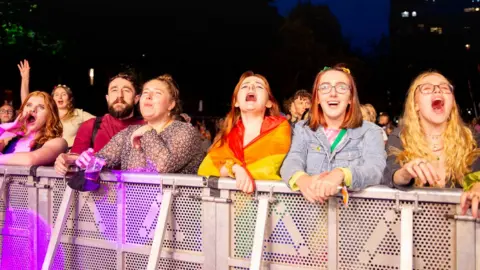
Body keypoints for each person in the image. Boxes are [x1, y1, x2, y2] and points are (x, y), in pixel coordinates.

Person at [280, 65, 386, 203]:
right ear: (317, 98)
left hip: (355, 220)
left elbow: (376, 169)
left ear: (350, 98)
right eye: (324, 87)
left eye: (342, 87)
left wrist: (341, 174)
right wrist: (302, 180)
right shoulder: (302, 129)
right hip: (308, 218)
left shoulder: (371, 131)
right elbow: (292, 160)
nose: (333, 93)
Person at [383, 71, 480, 217]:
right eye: (427, 88)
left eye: (445, 88)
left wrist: (477, 186)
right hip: (417, 228)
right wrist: (406, 172)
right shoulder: (400, 137)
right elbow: (391, 173)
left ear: (452, 103)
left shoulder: (471, 138)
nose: (437, 90)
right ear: (416, 106)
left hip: (462, 229)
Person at [73, 74, 204, 173]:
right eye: (145, 93)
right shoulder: (130, 131)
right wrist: (89, 160)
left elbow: (162, 166)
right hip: (135, 207)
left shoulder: (185, 131)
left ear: (171, 104)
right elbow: (103, 157)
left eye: (157, 93)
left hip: (175, 208)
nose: (148, 96)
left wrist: (147, 132)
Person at [198, 71, 291, 193]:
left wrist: (227, 168)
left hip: (266, 201)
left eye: (259, 86)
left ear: (269, 103)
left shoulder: (280, 127)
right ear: (236, 102)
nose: (251, 87)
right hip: (231, 205)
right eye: (245, 86)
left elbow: (266, 169)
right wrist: (235, 168)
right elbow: (205, 168)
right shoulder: (228, 134)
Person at [54, 72, 144, 175]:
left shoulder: (146, 127)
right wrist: (65, 159)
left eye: (126, 90)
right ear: (107, 98)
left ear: (136, 99)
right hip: (97, 191)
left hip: (137, 190)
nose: (119, 95)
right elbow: (75, 159)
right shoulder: (91, 126)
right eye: (114, 90)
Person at [18, 60, 96, 147]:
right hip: (47, 150)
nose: (60, 97)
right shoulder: (47, 114)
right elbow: (27, 103)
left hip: (69, 153)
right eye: (57, 95)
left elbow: (100, 122)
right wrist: (25, 79)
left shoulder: (78, 114)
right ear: (52, 99)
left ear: (70, 99)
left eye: (63, 94)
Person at [0, 91, 67, 165]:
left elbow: (31, 160)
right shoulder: (9, 139)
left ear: (50, 116)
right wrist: (3, 129)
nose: (32, 110)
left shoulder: (58, 142)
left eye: (41, 107)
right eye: (29, 105)